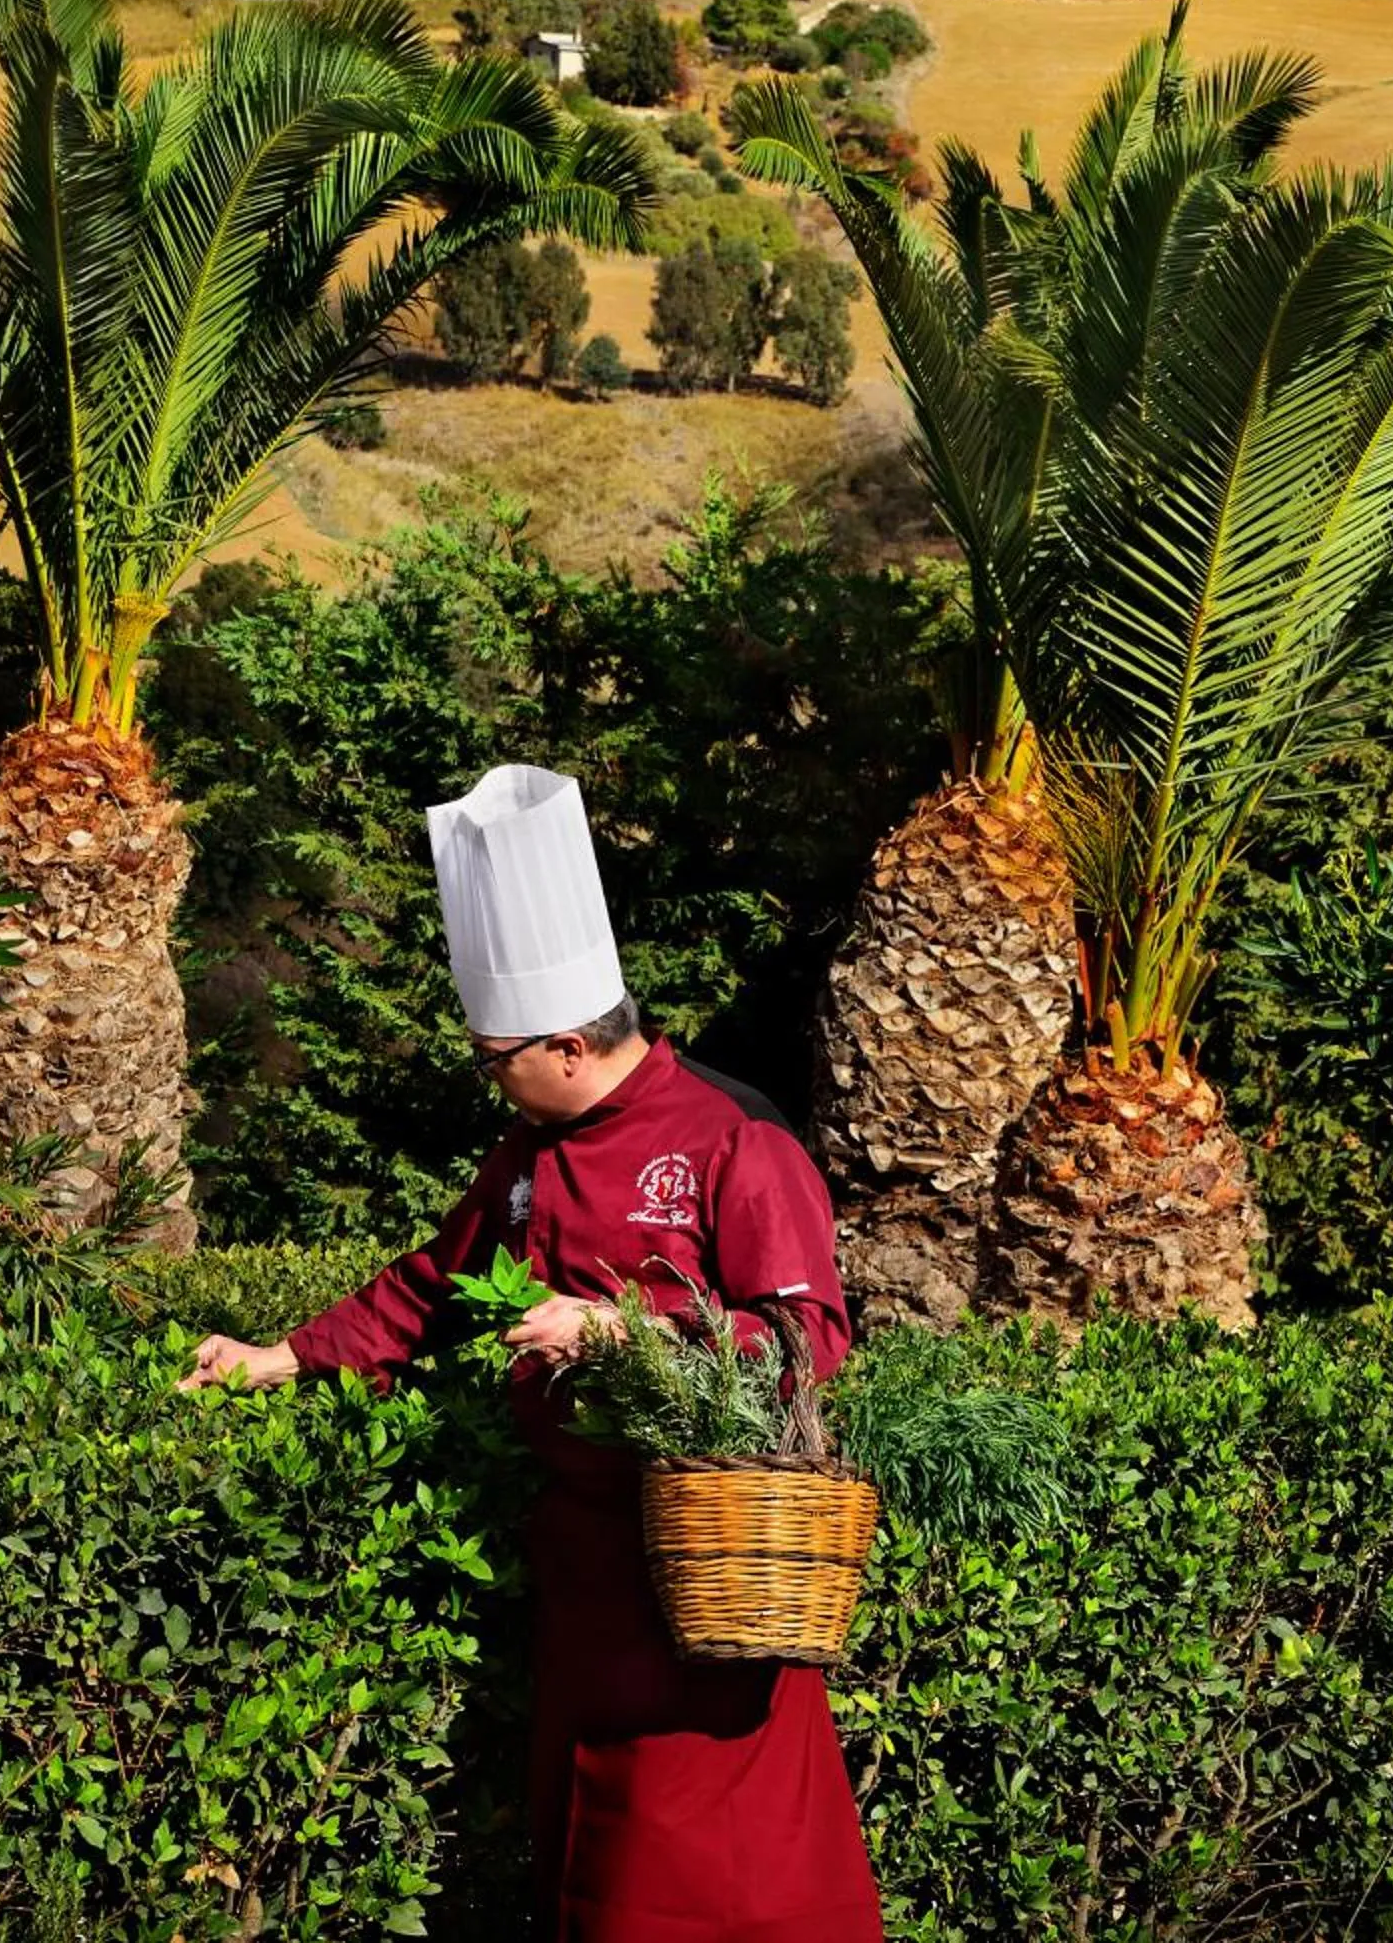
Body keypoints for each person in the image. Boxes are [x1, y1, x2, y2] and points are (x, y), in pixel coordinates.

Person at [179, 764, 885, 1943]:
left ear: (566, 1041)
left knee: (715, 1875)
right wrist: (284, 1357)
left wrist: (614, 1325)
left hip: (703, 1578)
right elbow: (430, 1283)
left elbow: (808, 1338)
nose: (487, 1078)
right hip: (580, 1572)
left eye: (493, 1055)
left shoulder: (734, 1139)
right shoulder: (526, 1149)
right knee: (584, 1860)